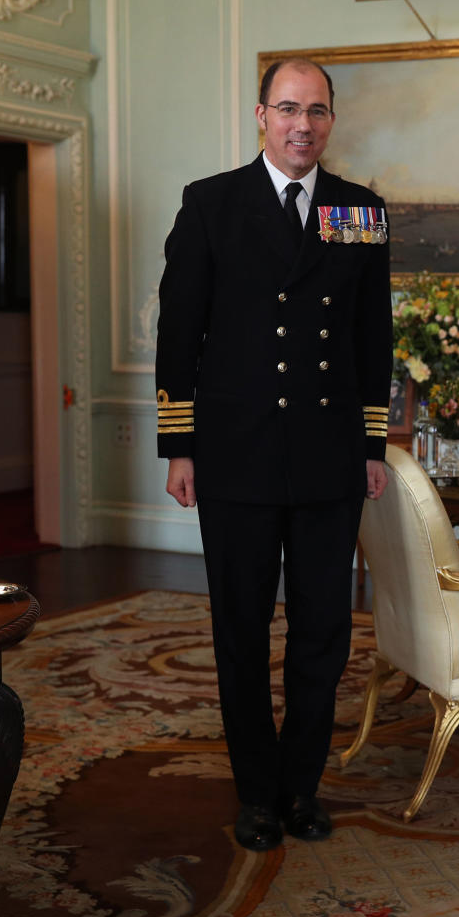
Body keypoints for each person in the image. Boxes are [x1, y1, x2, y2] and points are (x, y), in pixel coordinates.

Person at [155, 57, 392, 852]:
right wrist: (178, 444)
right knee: (241, 631)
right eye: (287, 109)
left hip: (327, 458)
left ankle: (301, 788)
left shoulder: (361, 211)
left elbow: (370, 339)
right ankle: (255, 792)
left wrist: (370, 444)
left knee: (323, 632)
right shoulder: (212, 203)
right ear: (261, 116)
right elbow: (179, 331)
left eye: (317, 111)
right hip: (236, 456)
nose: (302, 124)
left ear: (331, 121)